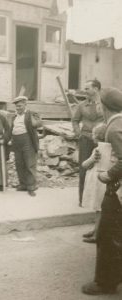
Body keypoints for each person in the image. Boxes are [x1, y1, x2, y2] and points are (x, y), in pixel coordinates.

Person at [82, 87, 122, 295]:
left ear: (104, 106)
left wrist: (109, 175)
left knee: (107, 236)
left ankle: (105, 282)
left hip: (116, 190)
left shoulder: (114, 127)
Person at [72, 79, 104, 206]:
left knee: (101, 168)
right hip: (85, 139)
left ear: (96, 89)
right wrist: (78, 134)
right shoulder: (81, 105)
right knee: (84, 168)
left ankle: (100, 200)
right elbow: (75, 120)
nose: (84, 91)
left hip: (101, 141)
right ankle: (82, 199)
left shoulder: (104, 104)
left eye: (87, 88)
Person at [11, 96, 42, 197]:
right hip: (16, 141)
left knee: (29, 164)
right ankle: (23, 184)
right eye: (17, 107)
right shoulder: (15, 116)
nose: (18, 108)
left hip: (27, 140)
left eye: (20, 106)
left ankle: (31, 187)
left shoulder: (31, 113)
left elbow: (39, 123)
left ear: (25, 104)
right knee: (19, 163)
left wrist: (34, 121)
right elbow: (11, 129)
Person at [81, 123, 107, 243]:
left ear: (96, 136)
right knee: (99, 208)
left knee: (99, 208)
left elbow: (85, 165)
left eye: (93, 134)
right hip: (102, 180)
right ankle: (97, 229)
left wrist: (91, 159)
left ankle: (97, 233)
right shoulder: (110, 148)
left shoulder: (97, 149)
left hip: (97, 181)